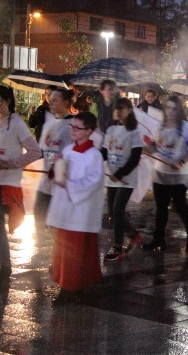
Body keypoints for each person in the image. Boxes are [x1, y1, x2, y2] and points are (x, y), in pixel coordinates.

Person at [0, 86, 41, 285]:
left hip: (8, 181)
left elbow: (34, 151)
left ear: (8, 101)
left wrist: (11, 163)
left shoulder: (18, 124)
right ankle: (5, 266)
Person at [46, 111, 105, 305]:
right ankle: (67, 283)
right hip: (65, 207)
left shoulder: (94, 155)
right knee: (64, 249)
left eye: (77, 128)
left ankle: (70, 288)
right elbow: (58, 174)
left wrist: (69, 185)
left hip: (81, 211)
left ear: (88, 131)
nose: (72, 131)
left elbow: (93, 182)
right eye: (71, 126)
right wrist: (56, 169)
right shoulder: (69, 150)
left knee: (77, 251)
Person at [143, 95, 188, 252]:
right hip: (160, 173)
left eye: (174, 108)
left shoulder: (185, 128)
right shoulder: (159, 127)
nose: (170, 111)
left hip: (178, 176)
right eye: (168, 107)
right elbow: (155, 146)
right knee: (161, 208)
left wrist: (181, 162)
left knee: (181, 206)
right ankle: (158, 240)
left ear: (179, 110)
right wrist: (148, 149)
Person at [101, 98, 145, 262]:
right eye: (116, 108)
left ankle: (117, 247)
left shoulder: (135, 132)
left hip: (126, 177)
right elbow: (104, 152)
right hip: (111, 177)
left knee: (118, 210)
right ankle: (133, 235)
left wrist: (120, 174)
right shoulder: (111, 129)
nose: (118, 111)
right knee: (112, 213)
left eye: (122, 108)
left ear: (129, 110)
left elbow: (135, 158)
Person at [33, 88, 74, 238]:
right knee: (39, 213)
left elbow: (74, 154)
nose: (51, 103)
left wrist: (61, 169)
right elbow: (42, 150)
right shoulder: (48, 124)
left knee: (58, 223)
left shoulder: (73, 125)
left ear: (66, 102)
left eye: (55, 100)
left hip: (63, 182)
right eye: (50, 99)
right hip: (46, 180)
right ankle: (41, 248)